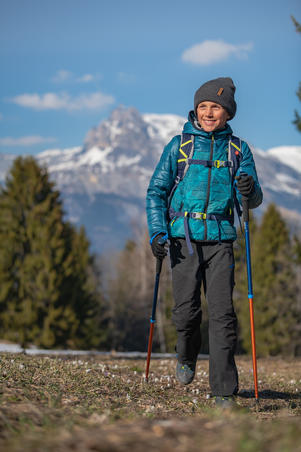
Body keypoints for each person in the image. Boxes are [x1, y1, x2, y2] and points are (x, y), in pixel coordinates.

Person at [146, 77, 262, 407]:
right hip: (183, 240)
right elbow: (155, 192)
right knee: (186, 315)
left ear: (228, 113)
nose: (209, 112)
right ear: (196, 109)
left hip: (222, 240)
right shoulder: (179, 145)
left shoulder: (239, 149)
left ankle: (224, 390)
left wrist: (248, 188)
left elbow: (256, 198)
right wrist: (158, 232)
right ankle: (186, 354)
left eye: (216, 107)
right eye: (204, 106)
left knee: (224, 316)